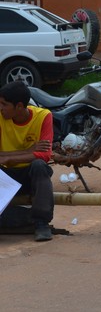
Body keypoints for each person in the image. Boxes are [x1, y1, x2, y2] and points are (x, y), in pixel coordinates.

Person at [0, 82, 54, 242]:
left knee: (40, 165)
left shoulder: (44, 116)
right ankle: (27, 219)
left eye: (4, 104)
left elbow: (44, 155)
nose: (0, 108)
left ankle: (41, 223)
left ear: (19, 106)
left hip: (31, 176)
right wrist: (29, 151)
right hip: (7, 178)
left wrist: (9, 157)